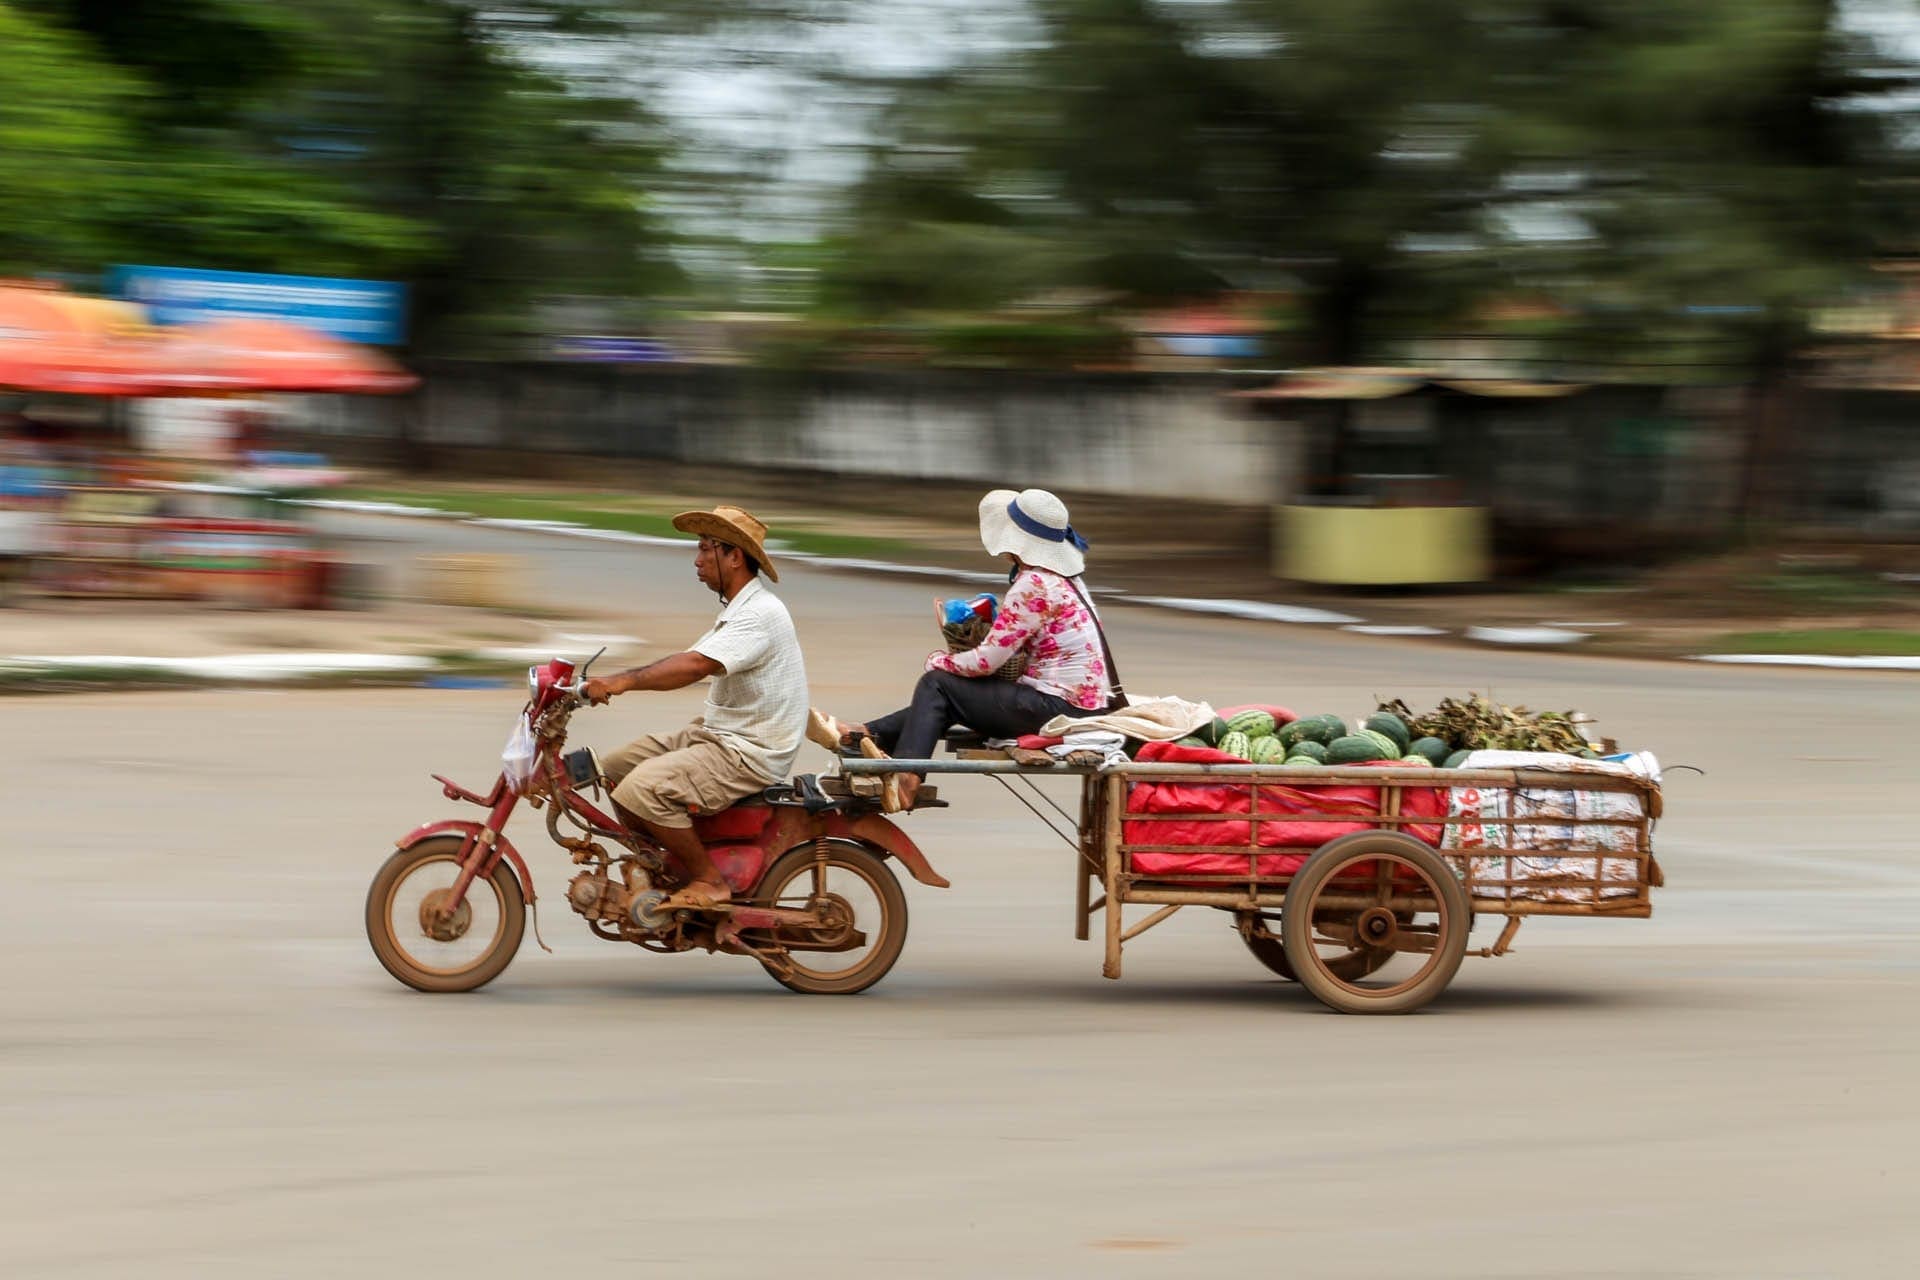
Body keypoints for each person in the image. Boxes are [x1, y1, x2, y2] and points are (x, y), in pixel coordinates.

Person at [808, 487, 1123, 812]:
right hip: (1079, 703)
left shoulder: (1034, 585)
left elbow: (986, 661)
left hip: (1059, 708)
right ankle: (866, 734)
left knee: (937, 684)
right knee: (948, 695)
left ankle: (905, 781)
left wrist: (940, 661)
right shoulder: (1066, 579)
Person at [581, 505, 808, 911]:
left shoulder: (758, 614)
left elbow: (695, 665)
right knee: (614, 768)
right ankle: (661, 862)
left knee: (641, 788)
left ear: (734, 556)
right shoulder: (737, 610)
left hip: (747, 751)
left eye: (706, 549)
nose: (697, 559)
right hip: (719, 734)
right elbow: (693, 656)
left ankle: (708, 878)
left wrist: (622, 682)